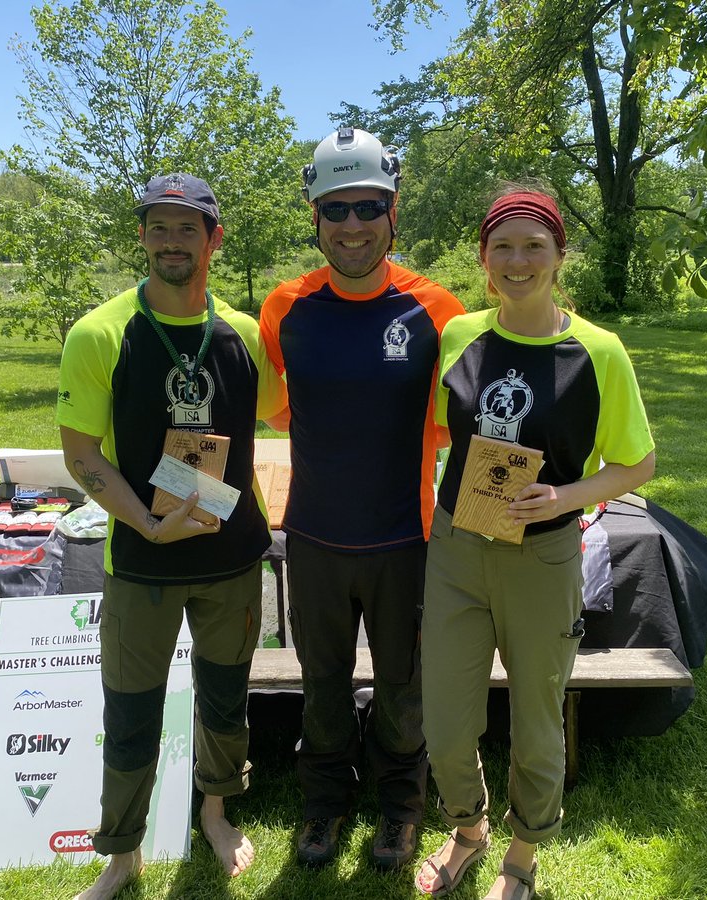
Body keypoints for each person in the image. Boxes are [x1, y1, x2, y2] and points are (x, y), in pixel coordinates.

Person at [414, 187, 656, 900]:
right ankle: (467, 828)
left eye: (534, 247)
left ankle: (521, 855)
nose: (518, 261)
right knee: (448, 721)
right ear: (485, 259)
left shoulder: (598, 352)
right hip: (457, 547)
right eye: (503, 248)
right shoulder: (460, 334)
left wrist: (565, 496)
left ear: (559, 255)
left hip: (544, 556)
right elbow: (447, 434)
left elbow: (637, 463)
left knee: (536, 721)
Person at [56, 173, 287, 899]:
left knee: (224, 697)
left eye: (189, 228)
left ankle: (216, 815)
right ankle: (121, 853)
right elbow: (82, 454)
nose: (172, 241)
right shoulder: (100, 332)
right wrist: (148, 522)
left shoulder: (245, 333)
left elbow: (284, 416)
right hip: (142, 561)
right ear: (142, 236)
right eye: (159, 226)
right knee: (129, 708)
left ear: (213, 239)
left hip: (231, 557)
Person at [259, 127, 465, 870]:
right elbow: (282, 414)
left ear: (393, 214)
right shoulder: (284, 308)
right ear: (314, 216)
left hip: (404, 539)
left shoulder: (438, 310)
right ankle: (323, 807)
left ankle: (401, 808)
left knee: (405, 689)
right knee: (321, 687)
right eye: (336, 209)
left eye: (368, 208)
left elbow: (451, 431)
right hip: (312, 537)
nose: (352, 225)